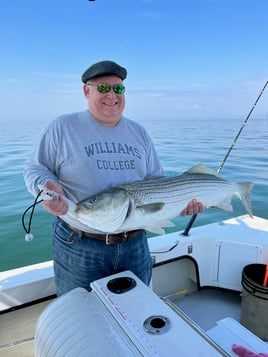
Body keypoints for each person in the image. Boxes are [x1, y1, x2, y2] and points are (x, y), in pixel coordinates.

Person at [24, 60, 203, 296]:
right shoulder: (63, 127)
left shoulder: (139, 132)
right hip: (80, 244)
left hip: (136, 244)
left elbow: (157, 182)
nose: (112, 95)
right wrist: (45, 189)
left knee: (137, 311)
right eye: (103, 88)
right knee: (82, 314)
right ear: (87, 91)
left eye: (118, 89)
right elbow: (35, 169)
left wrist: (180, 203)